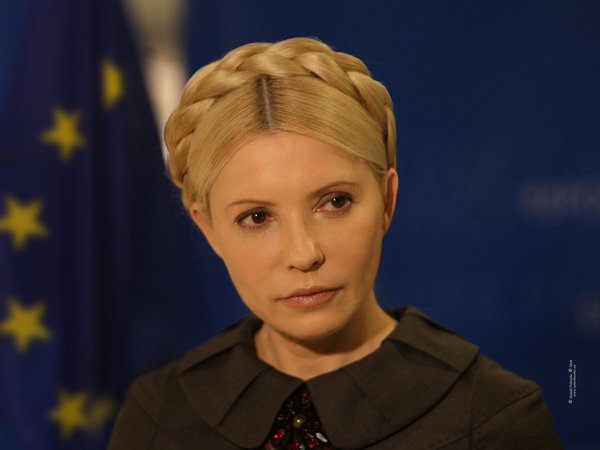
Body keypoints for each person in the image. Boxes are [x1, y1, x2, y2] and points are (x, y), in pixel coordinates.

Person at [108, 37, 562, 449]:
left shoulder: (496, 420)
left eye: (334, 202)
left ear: (386, 200)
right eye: (257, 217)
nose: (304, 254)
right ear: (208, 229)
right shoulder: (158, 416)